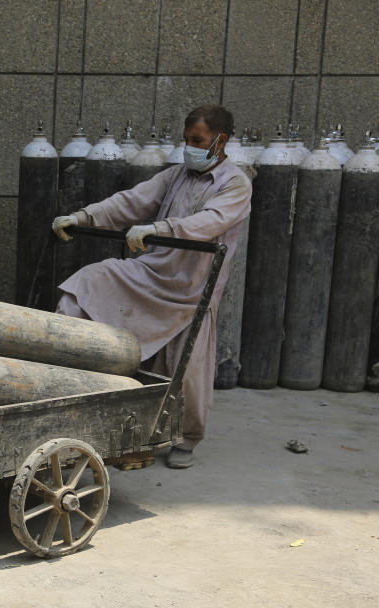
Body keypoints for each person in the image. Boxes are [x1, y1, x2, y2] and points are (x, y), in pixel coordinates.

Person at [52, 104, 251, 470]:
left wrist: (161, 229)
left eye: (197, 140)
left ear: (220, 141)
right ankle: (68, 377)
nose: (188, 146)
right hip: (152, 271)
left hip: (192, 290)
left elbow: (211, 222)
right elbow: (132, 201)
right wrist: (83, 217)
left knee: (184, 369)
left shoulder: (236, 184)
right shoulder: (176, 175)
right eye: (186, 138)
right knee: (89, 282)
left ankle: (187, 439)